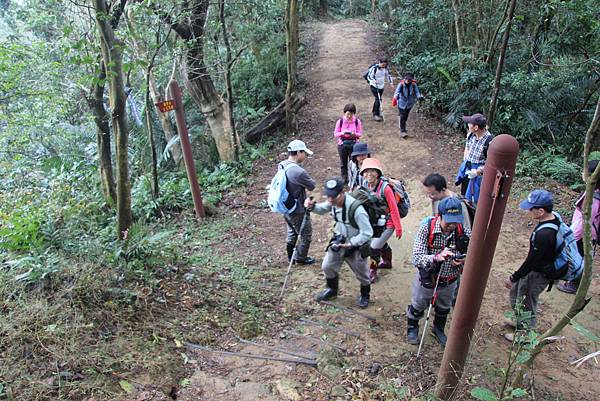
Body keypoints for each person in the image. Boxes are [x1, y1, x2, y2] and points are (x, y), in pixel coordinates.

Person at [406, 197, 471, 347]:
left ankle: (438, 329)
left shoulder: (463, 230)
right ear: (439, 216)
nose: (452, 225)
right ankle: (412, 327)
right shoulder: (426, 228)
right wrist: (437, 257)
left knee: (444, 306)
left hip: (450, 279)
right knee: (418, 304)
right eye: (449, 221)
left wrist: (463, 260)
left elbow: (474, 254)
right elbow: (416, 258)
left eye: (456, 221)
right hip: (428, 278)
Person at [305, 177, 374, 308]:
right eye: (328, 196)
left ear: (342, 193)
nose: (330, 200)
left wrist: (352, 243)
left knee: (363, 274)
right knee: (327, 266)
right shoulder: (333, 202)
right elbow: (322, 209)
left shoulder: (357, 210)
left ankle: (365, 295)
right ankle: (331, 289)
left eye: (333, 197)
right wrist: (312, 207)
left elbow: (367, 233)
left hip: (356, 246)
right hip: (339, 240)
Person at [504, 189, 558, 341]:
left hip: (538, 273)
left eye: (531, 208)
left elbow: (531, 261)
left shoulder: (545, 234)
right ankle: (521, 322)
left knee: (527, 301)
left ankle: (526, 333)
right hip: (534, 269)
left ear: (541, 211)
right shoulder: (552, 220)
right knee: (517, 295)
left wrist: (513, 277)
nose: (528, 210)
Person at [557, 160, 600, 294]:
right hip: (586, 234)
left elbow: (584, 222)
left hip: (583, 235)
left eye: (585, 171)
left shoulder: (593, 197)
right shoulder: (594, 192)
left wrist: (570, 237)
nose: (582, 173)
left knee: (578, 259)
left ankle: (574, 285)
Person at [360, 158, 402, 282]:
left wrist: (398, 228)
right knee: (380, 243)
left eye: (372, 171)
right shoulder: (364, 185)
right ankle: (387, 262)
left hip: (388, 223)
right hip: (375, 222)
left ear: (378, 173)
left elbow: (394, 209)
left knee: (373, 247)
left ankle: (373, 269)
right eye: (366, 171)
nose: (369, 174)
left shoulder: (386, 188)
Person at [279, 140, 316, 265]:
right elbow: (312, 186)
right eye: (304, 152)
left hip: (285, 205)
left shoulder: (282, 164)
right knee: (306, 234)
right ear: (298, 152)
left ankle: (291, 257)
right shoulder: (298, 172)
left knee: (292, 231)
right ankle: (300, 258)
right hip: (297, 208)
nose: (305, 156)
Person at [455, 113, 494, 204]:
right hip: (468, 168)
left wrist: (477, 172)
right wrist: (466, 161)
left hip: (479, 174)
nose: (468, 125)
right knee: (464, 194)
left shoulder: (490, 142)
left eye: (470, 124)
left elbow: (491, 164)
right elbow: (467, 147)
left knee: (475, 199)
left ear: (476, 127)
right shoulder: (470, 135)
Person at [333, 103, 363, 183]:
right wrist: (342, 133)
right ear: (344, 113)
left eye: (351, 114)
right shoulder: (340, 121)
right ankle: (344, 177)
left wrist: (354, 134)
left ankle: (354, 177)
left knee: (353, 162)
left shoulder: (357, 121)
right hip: (342, 144)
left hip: (354, 144)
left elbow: (360, 133)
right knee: (343, 162)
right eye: (348, 114)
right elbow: (336, 134)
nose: (349, 116)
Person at [392, 72, 424, 138]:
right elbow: (396, 92)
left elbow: (417, 92)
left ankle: (401, 122)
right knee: (403, 116)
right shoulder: (401, 84)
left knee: (406, 116)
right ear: (404, 78)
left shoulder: (413, 84)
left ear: (411, 80)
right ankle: (403, 131)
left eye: (409, 80)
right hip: (401, 102)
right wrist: (396, 96)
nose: (407, 81)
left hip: (410, 103)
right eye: (406, 79)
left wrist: (419, 97)